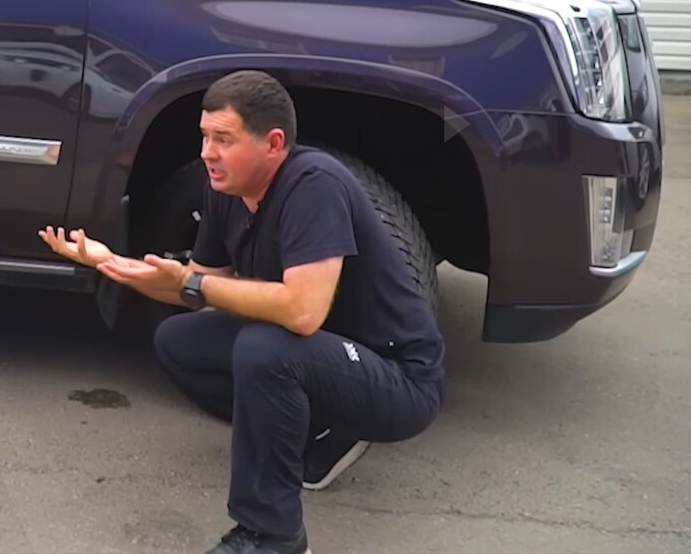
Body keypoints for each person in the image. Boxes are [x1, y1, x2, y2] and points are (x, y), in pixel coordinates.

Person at [39, 70, 445, 554]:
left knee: (265, 349)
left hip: (399, 378)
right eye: (205, 137)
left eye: (223, 139)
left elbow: (303, 311)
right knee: (179, 341)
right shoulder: (225, 190)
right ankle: (317, 432)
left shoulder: (314, 184)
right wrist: (116, 264)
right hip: (324, 354)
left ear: (273, 143)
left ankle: (275, 536)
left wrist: (191, 283)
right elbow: (200, 286)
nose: (207, 153)